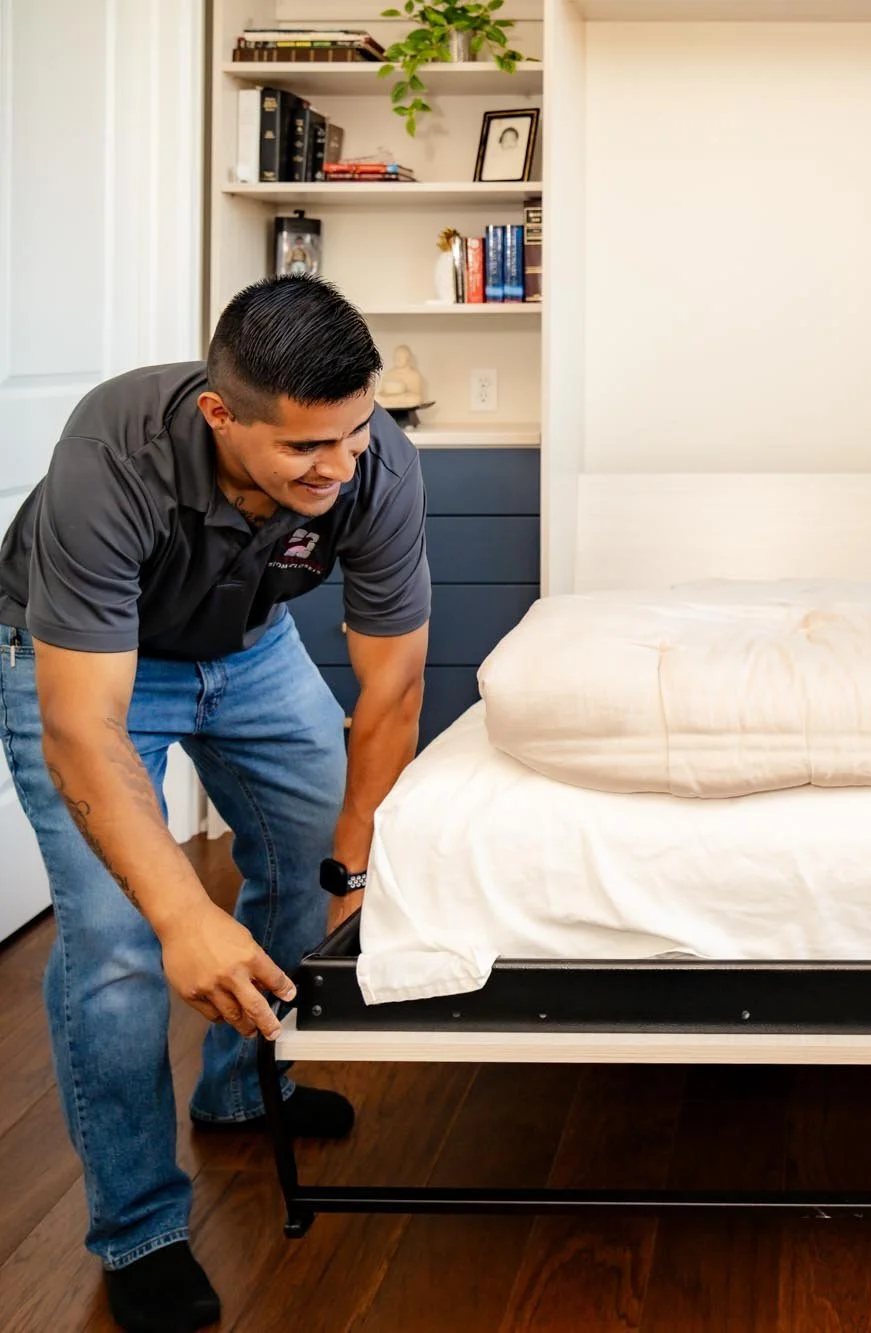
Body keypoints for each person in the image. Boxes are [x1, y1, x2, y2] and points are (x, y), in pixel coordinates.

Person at [0, 275, 431, 1333]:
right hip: (87, 669)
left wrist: (355, 863)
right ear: (220, 415)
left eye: (354, 435)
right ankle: (139, 1226)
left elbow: (392, 683)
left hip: (248, 646)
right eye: (302, 450)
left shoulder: (372, 466)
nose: (337, 468)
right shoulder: (113, 455)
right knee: (115, 940)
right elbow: (83, 731)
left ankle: (243, 1086)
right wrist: (184, 916)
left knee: (302, 861)